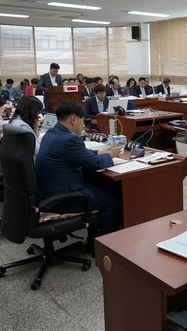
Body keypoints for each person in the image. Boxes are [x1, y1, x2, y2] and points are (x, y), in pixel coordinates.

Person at [35, 100, 122, 237]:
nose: (83, 124)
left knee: (103, 186)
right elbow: (98, 164)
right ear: (73, 119)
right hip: (62, 199)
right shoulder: (69, 139)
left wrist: (99, 152)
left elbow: (78, 154)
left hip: (46, 194)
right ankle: (103, 243)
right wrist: (110, 154)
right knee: (113, 200)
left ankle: (94, 237)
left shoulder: (51, 133)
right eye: (82, 120)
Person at [9, 95, 43, 162]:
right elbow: (37, 151)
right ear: (32, 111)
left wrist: (35, 129)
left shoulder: (15, 120)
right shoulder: (23, 127)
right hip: (31, 162)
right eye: (37, 112)